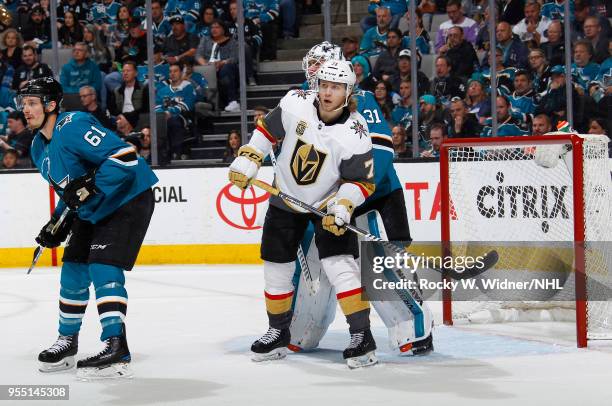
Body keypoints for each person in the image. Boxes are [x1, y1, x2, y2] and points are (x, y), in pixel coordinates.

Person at [228, 60, 379, 368]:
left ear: (348, 92)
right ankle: (278, 331)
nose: (327, 92)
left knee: (340, 265)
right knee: (276, 266)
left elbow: (361, 182)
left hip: (327, 203)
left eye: (335, 87)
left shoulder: (356, 133)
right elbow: (266, 131)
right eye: (324, 84)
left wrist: (343, 206)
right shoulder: (296, 102)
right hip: (285, 197)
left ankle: (362, 336)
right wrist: (249, 157)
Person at [290, 44, 434, 358]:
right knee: (314, 262)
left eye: (318, 64)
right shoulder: (301, 102)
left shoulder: (361, 99)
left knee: (370, 263)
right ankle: (302, 328)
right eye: (311, 63)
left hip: (365, 197)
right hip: (322, 202)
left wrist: (351, 196)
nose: (311, 70)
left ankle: (413, 325)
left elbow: (381, 151)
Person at [19, 77, 157, 379]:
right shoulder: (37, 148)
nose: (25, 110)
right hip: (94, 207)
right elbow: (70, 191)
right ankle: (67, 341)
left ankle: (115, 346)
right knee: (73, 270)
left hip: (127, 198)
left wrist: (91, 186)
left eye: (31, 103)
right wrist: (56, 222)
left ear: (51, 105)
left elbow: (126, 157)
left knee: (103, 265)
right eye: (23, 103)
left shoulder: (74, 125)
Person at [155, 62, 197, 161]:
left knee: (173, 122)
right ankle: (161, 154)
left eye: (175, 71)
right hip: (163, 118)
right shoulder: (162, 90)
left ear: (181, 73)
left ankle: (176, 153)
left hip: (183, 118)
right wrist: (162, 113)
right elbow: (156, 106)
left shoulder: (188, 87)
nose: (172, 73)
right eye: (170, 71)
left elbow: (187, 105)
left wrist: (170, 112)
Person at [196, 19, 240, 112]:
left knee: (227, 69)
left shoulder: (232, 41)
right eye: (212, 27)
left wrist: (222, 63)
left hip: (225, 67)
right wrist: (207, 66)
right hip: (208, 68)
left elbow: (234, 58)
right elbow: (198, 55)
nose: (214, 29)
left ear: (223, 29)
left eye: (217, 27)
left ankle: (233, 101)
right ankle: (210, 104)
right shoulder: (205, 40)